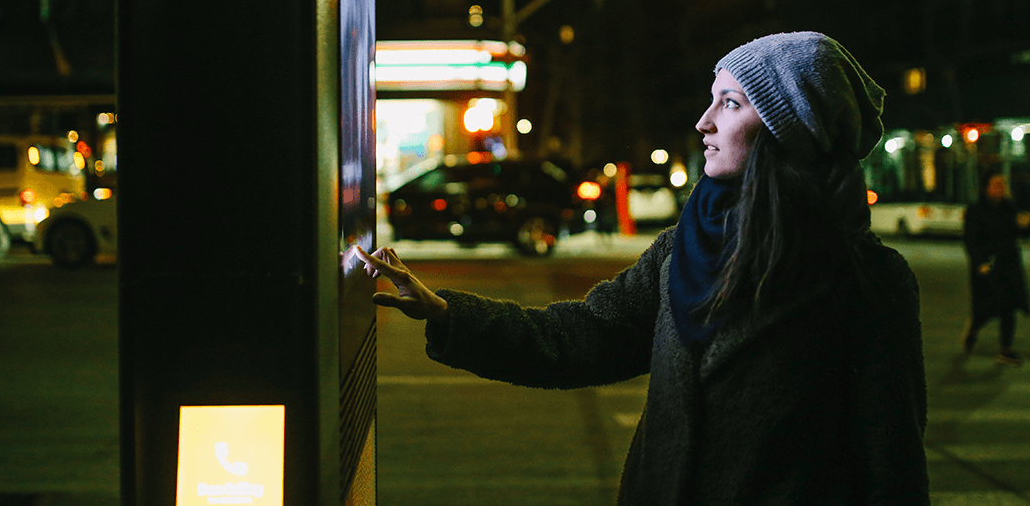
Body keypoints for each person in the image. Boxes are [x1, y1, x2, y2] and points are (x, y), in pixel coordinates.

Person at [355, 32, 930, 505]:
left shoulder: (869, 281)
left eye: (730, 103)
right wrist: (449, 313)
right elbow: (584, 336)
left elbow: (892, 466)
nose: (704, 122)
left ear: (787, 127)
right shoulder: (685, 248)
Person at [963, 172, 1030, 366]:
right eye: (996, 184)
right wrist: (980, 263)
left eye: (1003, 184)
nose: (1001, 188)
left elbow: (1020, 233)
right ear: (986, 187)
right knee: (985, 308)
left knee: (1008, 306)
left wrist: (1026, 225)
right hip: (988, 265)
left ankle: (1006, 349)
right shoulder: (976, 209)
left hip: (1009, 264)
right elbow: (971, 240)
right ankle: (973, 329)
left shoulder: (1009, 207)